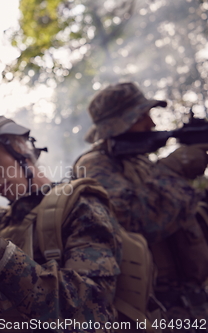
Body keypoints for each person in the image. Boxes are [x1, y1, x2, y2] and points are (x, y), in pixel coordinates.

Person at [0, 116, 123, 332]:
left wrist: (0, 259)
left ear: (20, 148)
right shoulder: (7, 219)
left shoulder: (81, 206)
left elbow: (92, 313)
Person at [73, 82, 208, 331]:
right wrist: (176, 169)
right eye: (142, 116)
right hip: (157, 313)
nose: (152, 124)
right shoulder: (95, 165)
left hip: (192, 303)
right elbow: (135, 221)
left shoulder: (137, 161)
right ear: (120, 123)